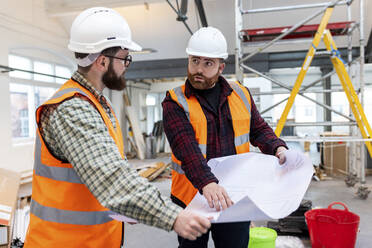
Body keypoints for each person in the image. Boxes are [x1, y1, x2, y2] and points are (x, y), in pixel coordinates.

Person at [24, 7, 210, 248]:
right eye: (125, 58)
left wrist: (132, 206)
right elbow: (111, 179)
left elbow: (111, 167)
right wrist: (174, 216)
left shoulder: (99, 103)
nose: (127, 65)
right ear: (102, 61)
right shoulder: (72, 110)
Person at [162, 26, 288, 248]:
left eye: (208, 63)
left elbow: (258, 129)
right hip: (191, 197)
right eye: (194, 60)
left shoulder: (240, 94)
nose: (198, 69)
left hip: (233, 197)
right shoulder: (175, 101)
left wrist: (278, 148)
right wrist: (207, 183)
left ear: (221, 66)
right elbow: (186, 149)